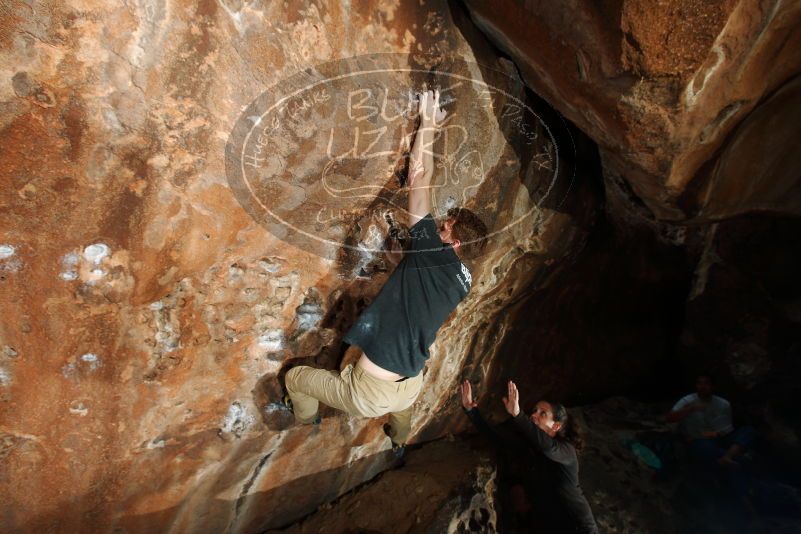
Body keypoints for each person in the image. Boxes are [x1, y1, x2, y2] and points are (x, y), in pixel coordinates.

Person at [284, 89, 488, 455]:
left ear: (455, 243)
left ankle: (304, 418)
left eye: (445, 227)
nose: (439, 226)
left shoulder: (430, 251)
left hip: (370, 390)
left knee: (297, 379)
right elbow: (425, 292)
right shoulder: (463, 281)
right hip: (410, 382)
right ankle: (398, 440)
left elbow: (419, 176)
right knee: (402, 409)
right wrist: (402, 263)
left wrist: (428, 124)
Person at [461, 379, 599, 534]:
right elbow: (496, 437)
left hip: (579, 528)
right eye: (534, 411)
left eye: (542, 413)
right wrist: (471, 411)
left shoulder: (566, 451)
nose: (534, 415)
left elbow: (548, 448)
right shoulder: (528, 449)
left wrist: (518, 415)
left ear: (556, 426)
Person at [667, 373, 756, 467]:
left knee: (748, 431)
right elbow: (669, 418)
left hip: (718, 437)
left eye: (706, 384)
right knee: (704, 446)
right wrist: (690, 409)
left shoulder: (723, 404)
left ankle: (728, 456)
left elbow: (726, 430)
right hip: (698, 439)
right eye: (699, 383)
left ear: (713, 386)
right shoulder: (687, 400)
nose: (702, 387)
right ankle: (733, 458)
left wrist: (716, 434)